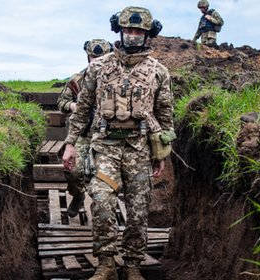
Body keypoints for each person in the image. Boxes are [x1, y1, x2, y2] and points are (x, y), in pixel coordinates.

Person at [62, 6, 175, 280]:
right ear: (119, 31)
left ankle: (133, 265)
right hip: (105, 148)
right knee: (101, 201)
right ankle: (106, 264)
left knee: (138, 211)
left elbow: (165, 113)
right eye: (128, 30)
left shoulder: (159, 72)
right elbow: (84, 106)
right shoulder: (99, 67)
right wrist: (71, 143)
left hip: (139, 149)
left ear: (148, 34)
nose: (133, 35)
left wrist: (162, 153)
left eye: (139, 31)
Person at [57, 39, 113, 218]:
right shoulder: (77, 80)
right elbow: (62, 102)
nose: (96, 60)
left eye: (100, 57)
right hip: (82, 134)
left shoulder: (116, 80)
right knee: (73, 171)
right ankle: (78, 194)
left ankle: (102, 210)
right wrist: (74, 107)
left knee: (105, 176)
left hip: (107, 136)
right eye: (93, 57)